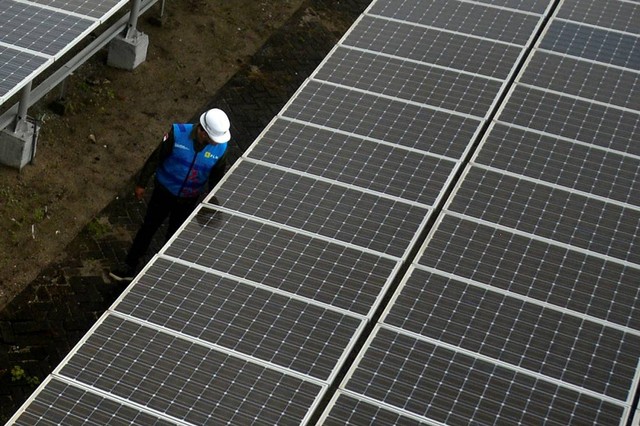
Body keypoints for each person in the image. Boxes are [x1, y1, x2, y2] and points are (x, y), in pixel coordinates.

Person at [109, 108, 230, 282]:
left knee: (175, 236)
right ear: (202, 131)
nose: (216, 143)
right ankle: (129, 266)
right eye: (213, 139)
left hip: (188, 199)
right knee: (148, 228)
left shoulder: (221, 149)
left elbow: (217, 176)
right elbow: (155, 158)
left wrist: (214, 199)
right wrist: (141, 183)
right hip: (163, 193)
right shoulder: (177, 134)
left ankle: (166, 272)